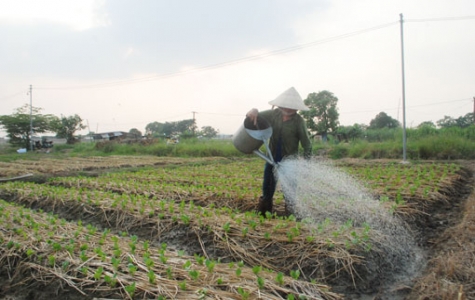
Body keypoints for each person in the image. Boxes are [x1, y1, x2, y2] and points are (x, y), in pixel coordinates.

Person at [245, 87, 312, 216]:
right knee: (267, 187)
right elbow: (255, 115)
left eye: (291, 107)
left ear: (297, 108)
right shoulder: (273, 114)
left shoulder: (299, 121)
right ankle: (264, 212)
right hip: (272, 158)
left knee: (290, 190)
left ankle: (290, 215)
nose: (288, 109)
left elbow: (307, 144)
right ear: (281, 105)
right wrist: (253, 110)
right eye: (286, 106)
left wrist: (307, 164)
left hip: (290, 161)